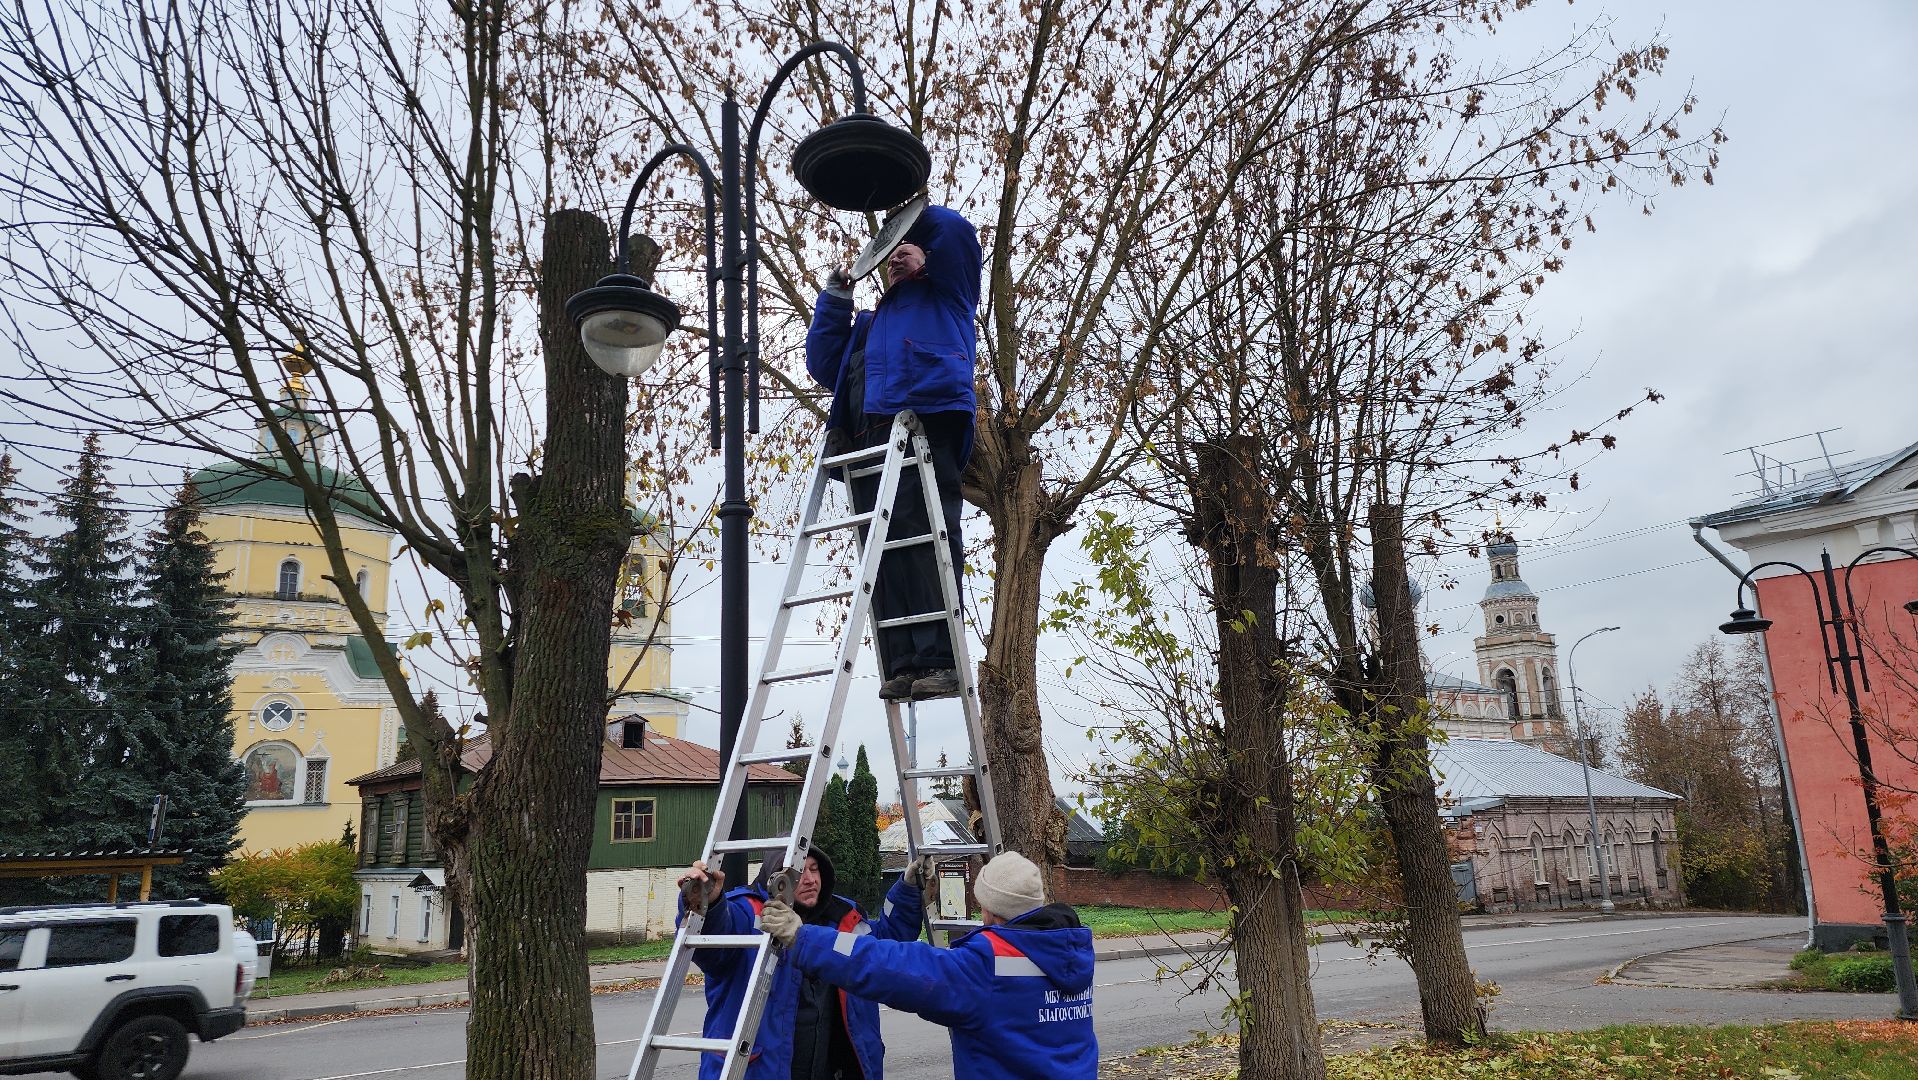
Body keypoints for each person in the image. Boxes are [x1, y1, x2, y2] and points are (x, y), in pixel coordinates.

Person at [805, 203, 983, 702]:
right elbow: (823, 364)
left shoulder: (947, 293)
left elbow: (956, 234)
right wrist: (837, 297)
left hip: (923, 422)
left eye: (899, 254)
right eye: (887, 259)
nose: (892, 262)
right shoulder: (870, 323)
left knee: (927, 534)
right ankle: (904, 660)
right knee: (881, 551)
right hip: (866, 440)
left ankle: (940, 658)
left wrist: (913, 227)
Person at [759, 851, 1097, 1080]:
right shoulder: (1070, 952)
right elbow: (884, 938)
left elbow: (891, 965)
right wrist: (907, 892)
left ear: (991, 910)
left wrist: (804, 939)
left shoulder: (986, 968)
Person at [675, 847, 931, 1080]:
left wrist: (908, 889)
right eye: (798, 873)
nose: (810, 880)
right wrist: (708, 905)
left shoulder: (844, 917)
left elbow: (886, 944)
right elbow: (713, 948)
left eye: (815, 869)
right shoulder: (747, 912)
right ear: (777, 880)